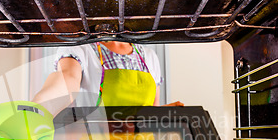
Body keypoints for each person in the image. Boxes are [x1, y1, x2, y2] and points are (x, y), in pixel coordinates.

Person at [33, 41, 183, 110]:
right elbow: (67, 78)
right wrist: (36, 109)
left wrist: (168, 112)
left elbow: (151, 112)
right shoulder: (81, 49)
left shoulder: (149, 56)